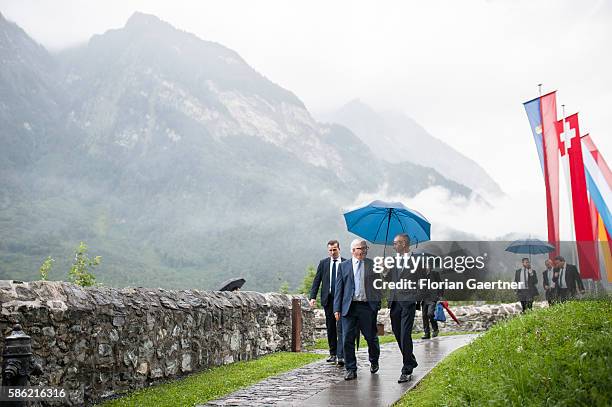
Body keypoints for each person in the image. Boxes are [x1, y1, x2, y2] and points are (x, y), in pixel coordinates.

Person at [333, 239, 381, 381]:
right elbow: (338, 289)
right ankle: (351, 369)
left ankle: (374, 360)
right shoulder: (343, 266)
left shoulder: (372, 264)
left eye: (365, 248)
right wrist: (336, 308)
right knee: (347, 338)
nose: (364, 251)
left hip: (367, 307)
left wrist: (376, 305)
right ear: (353, 250)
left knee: (371, 338)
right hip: (349, 308)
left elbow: (378, 286)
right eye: (361, 248)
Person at [386, 233, 419, 383]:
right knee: (398, 334)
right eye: (394, 243)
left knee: (405, 335)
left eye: (396, 243)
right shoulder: (392, 261)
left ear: (404, 244)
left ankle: (407, 369)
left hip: (408, 303)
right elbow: (388, 279)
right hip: (394, 303)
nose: (394, 246)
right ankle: (410, 359)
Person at [309, 240, 346, 364]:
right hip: (328, 299)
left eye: (334, 249)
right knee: (330, 327)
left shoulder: (346, 263)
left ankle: (341, 355)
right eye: (330, 250)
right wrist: (312, 297)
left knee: (341, 327)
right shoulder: (323, 263)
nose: (332, 252)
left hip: (341, 300)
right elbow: (317, 281)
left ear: (339, 249)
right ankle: (333, 353)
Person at [418, 258, 443, 339]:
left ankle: (435, 329)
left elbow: (440, 285)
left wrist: (440, 296)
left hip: (432, 298)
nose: (425, 267)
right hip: (423, 299)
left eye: (427, 265)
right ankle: (426, 333)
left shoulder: (435, 274)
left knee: (430, 314)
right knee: (424, 316)